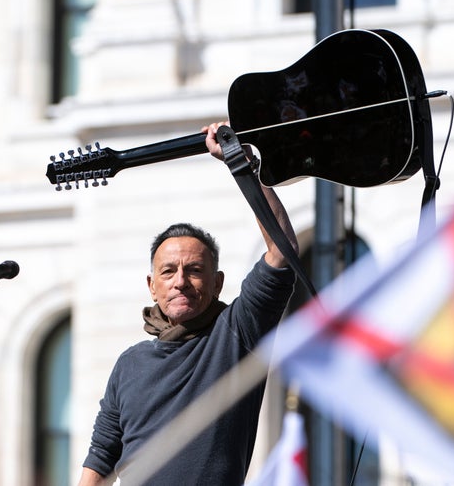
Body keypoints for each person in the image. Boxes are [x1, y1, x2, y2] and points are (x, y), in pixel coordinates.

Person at [77, 122, 298, 485]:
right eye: (168, 272)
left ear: (217, 283)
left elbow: (282, 251)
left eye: (194, 270)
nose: (180, 281)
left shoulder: (237, 333)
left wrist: (241, 164)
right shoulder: (129, 364)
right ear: (152, 286)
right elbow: (101, 457)